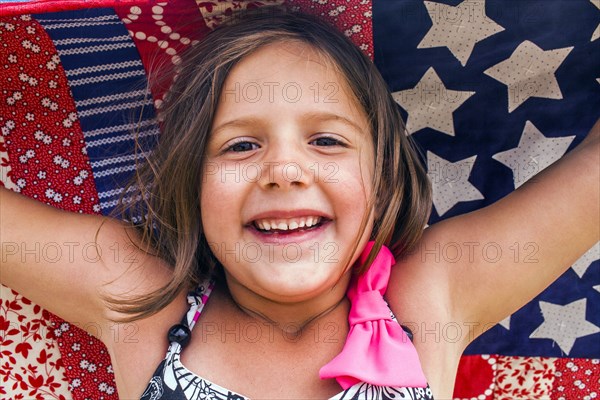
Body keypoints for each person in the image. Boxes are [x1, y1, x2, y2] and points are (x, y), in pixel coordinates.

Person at [1, 6, 598, 400]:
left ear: (385, 179)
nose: (284, 171)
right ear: (188, 185)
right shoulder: (144, 303)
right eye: (240, 144)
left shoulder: (427, 299)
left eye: (327, 140)